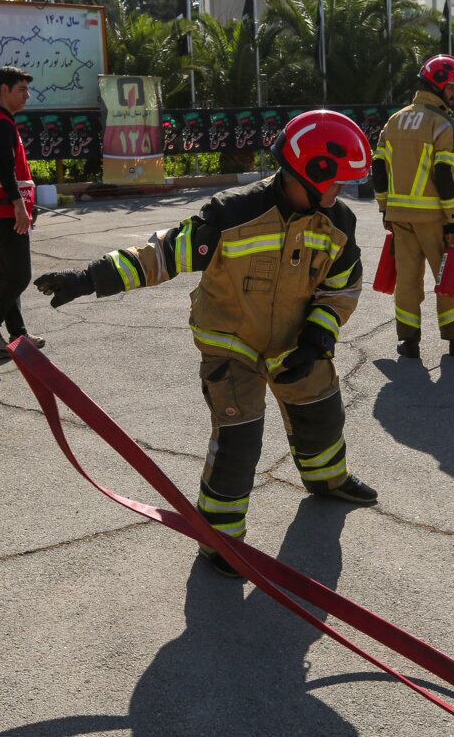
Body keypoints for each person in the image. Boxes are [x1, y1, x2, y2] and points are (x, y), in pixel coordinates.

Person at [33, 110, 378, 578]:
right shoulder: (234, 217)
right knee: (239, 443)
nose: (344, 192)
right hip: (231, 346)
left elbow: (342, 286)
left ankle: (326, 479)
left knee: (322, 409)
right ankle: (220, 539)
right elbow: (161, 254)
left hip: (297, 342)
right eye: (339, 181)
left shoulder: (337, 225)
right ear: (310, 174)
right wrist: (88, 279)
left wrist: (318, 338)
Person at [372, 54, 454, 359]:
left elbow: (378, 168)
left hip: (399, 217)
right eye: (453, 88)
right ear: (439, 85)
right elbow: (445, 176)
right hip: (434, 219)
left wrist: (385, 210)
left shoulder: (395, 120)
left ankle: (408, 341)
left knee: (407, 278)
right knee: (449, 277)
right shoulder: (442, 125)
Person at [0, 66, 46, 357]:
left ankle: (18, 335)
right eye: (21, 90)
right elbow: (4, 171)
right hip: (5, 211)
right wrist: (19, 208)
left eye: (28, 90)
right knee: (19, 277)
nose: (27, 95)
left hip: (0, 209)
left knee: (10, 278)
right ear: (4, 89)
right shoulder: (1, 125)